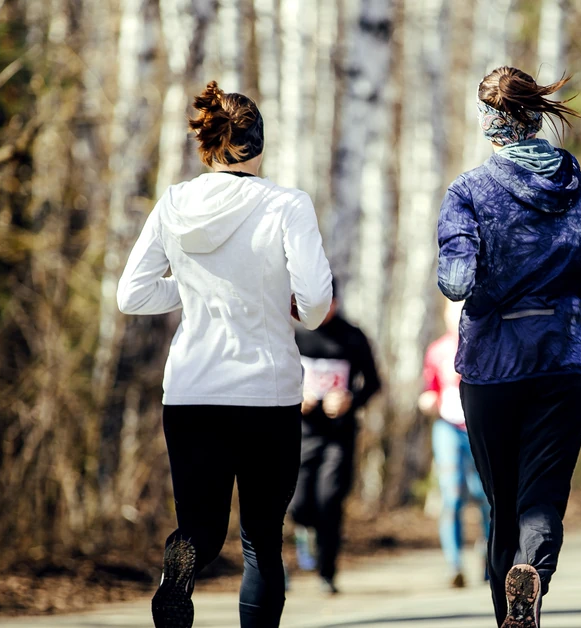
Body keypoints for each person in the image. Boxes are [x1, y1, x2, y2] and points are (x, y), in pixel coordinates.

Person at [117, 81, 332, 628]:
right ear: (259, 145)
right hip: (269, 393)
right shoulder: (287, 204)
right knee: (261, 540)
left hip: (191, 393)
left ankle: (180, 568)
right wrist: (270, 299)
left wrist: (194, 293)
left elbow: (132, 294)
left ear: (207, 143)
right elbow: (313, 306)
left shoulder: (173, 202)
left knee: (200, 528)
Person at [437, 66, 581, 628]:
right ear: (533, 117)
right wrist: (567, 290)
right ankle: (535, 575)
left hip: (491, 367)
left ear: (489, 124)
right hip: (562, 363)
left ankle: (508, 611)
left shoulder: (468, 192)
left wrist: (483, 275)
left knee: (502, 504)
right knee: (542, 495)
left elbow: (454, 282)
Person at [287, 279, 381, 595]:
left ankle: (327, 573)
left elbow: (373, 383)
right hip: (299, 432)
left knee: (330, 501)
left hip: (338, 436)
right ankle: (305, 532)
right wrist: (294, 395)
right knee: (297, 505)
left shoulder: (352, 337)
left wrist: (350, 399)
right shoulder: (293, 333)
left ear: (336, 303)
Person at [419, 299, 491, 589]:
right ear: (446, 315)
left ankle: (490, 559)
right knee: (452, 495)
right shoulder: (437, 351)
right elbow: (430, 388)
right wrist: (428, 399)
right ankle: (454, 565)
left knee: (486, 497)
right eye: (453, 310)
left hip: (481, 430)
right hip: (448, 428)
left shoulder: (487, 345)